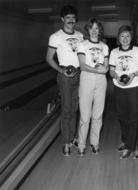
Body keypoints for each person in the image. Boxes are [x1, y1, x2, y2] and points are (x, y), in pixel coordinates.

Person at [46, 5, 83, 156]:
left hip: (79, 74)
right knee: (67, 109)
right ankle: (66, 142)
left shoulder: (80, 35)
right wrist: (62, 71)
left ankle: (73, 137)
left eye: (73, 18)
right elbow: (49, 59)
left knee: (75, 108)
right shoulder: (55, 37)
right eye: (68, 18)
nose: (71, 20)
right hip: (65, 76)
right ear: (62, 19)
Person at [109, 25, 138, 159]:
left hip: (134, 87)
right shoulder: (114, 52)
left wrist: (132, 75)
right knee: (122, 116)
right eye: (122, 36)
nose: (125, 39)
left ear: (131, 38)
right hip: (119, 87)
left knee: (133, 117)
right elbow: (111, 70)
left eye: (128, 36)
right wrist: (116, 77)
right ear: (119, 38)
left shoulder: (137, 51)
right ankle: (125, 140)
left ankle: (130, 146)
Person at [76, 18, 109, 156]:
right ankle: (81, 144)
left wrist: (104, 70)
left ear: (99, 30)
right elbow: (82, 65)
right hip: (87, 78)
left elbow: (106, 67)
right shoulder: (82, 44)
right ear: (88, 30)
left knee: (98, 115)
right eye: (92, 28)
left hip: (101, 80)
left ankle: (95, 143)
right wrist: (98, 70)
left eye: (97, 28)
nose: (94, 31)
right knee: (85, 115)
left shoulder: (105, 46)